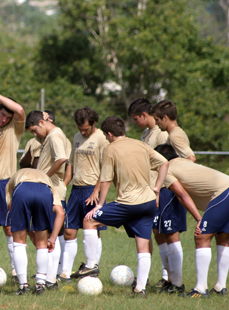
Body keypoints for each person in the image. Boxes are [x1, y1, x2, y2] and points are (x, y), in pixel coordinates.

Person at [72, 116, 169, 298]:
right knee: (143, 246)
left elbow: (106, 179)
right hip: (148, 202)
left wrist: (99, 205)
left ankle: (91, 265)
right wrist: (157, 188)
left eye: (106, 136)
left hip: (127, 203)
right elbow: (165, 163)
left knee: (89, 221)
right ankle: (141, 289)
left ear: (109, 134)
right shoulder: (140, 144)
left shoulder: (111, 148)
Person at [155, 144, 229, 298]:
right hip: (227, 188)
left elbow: (182, 194)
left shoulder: (167, 169)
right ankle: (220, 287)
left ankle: (201, 289)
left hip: (223, 193)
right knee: (223, 237)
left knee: (201, 236)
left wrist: (198, 219)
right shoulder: (184, 162)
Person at [128, 97, 186, 290]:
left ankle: (171, 278)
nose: (135, 123)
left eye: (136, 119)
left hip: (164, 189)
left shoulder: (162, 135)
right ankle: (166, 276)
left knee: (167, 232)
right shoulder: (146, 133)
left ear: (145, 115)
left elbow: (171, 160)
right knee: (157, 232)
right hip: (150, 188)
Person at [60, 107, 108, 282]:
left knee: (93, 229)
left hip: (91, 190)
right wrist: (64, 185)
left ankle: (92, 266)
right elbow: (71, 164)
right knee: (69, 231)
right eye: (80, 128)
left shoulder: (102, 138)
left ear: (93, 123)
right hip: (76, 189)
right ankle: (65, 273)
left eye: (86, 129)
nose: (82, 131)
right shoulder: (76, 137)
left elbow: (106, 168)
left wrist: (96, 190)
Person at [0, 88, 25, 283]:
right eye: (2, 114)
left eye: (8, 117)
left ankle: (16, 271)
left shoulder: (13, 128)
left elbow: (20, 110)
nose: (4, 120)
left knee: (9, 228)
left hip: (5, 184)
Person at [25, 110, 70, 288]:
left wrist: (44, 176)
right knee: (48, 232)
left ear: (42, 122)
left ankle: (50, 278)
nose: (35, 135)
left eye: (35, 130)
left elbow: (61, 159)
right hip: (49, 188)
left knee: (50, 233)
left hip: (52, 188)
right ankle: (49, 276)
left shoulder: (54, 135)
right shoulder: (51, 136)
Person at [6, 168, 65, 295]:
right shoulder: (48, 182)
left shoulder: (13, 179)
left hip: (21, 191)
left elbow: (11, 206)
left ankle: (23, 286)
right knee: (42, 244)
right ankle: (40, 284)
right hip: (44, 192)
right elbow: (60, 213)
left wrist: (28, 232)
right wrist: (53, 239)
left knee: (19, 243)